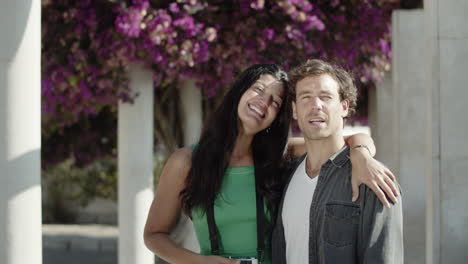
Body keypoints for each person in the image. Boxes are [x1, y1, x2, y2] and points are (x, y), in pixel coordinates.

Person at [144, 64, 399, 264]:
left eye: (275, 102)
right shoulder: (186, 162)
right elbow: (154, 235)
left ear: (279, 115)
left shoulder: (280, 156)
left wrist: (362, 155)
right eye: (257, 89)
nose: (263, 103)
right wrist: (199, 262)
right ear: (238, 92)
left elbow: (342, 140)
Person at [272, 59, 403, 264]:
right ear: (295, 110)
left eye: (325, 97)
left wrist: (361, 152)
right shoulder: (285, 174)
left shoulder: (372, 181)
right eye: (306, 97)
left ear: (344, 106)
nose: (316, 105)